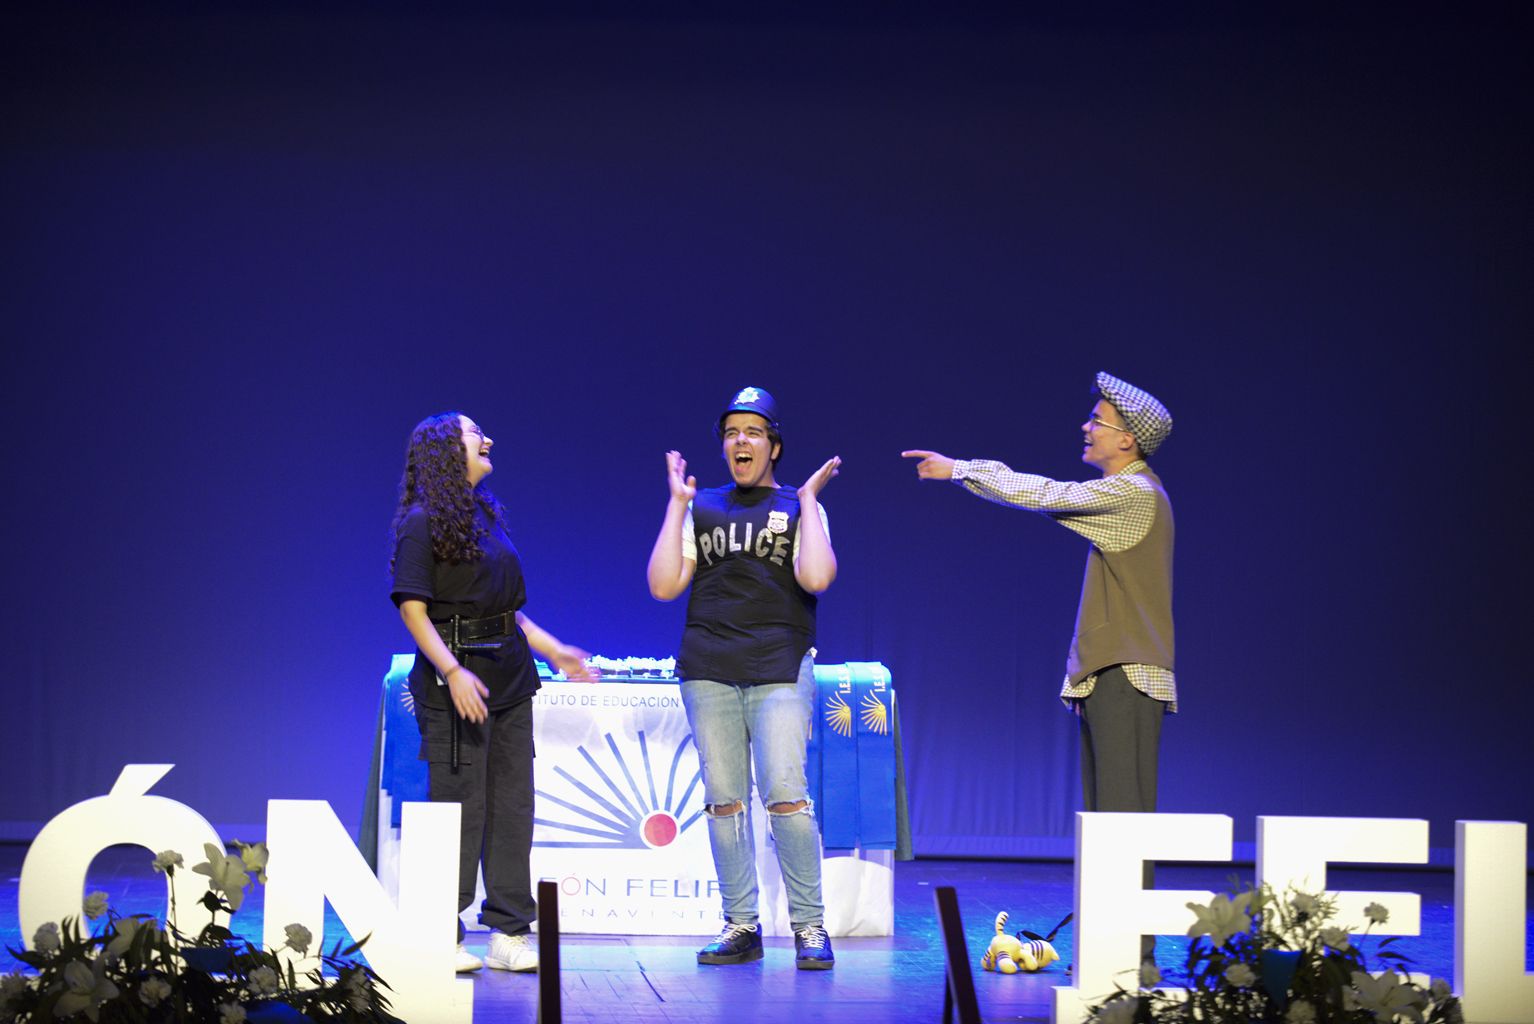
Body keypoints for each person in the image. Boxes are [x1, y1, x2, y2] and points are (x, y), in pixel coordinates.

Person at [902, 371, 1175, 954]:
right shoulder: (1132, 493)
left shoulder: (1134, 493)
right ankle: (1113, 955)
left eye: (1097, 420)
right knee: (1106, 828)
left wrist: (962, 469)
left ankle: (1135, 961)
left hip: (1128, 676)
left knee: (1123, 826)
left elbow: (1049, 493)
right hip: (1112, 676)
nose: (1086, 426)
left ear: (1127, 439)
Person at [389, 411, 595, 975]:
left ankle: (508, 929)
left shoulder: (482, 513)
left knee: (512, 809)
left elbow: (506, 610)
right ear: (448, 452)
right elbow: (413, 607)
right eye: (476, 433)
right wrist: (453, 671)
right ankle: (442, 929)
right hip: (457, 685)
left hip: (509, 680)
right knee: (460, 810)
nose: (489, 439)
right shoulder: (421, 521)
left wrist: (553, 650)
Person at [646, 386, 842, 970]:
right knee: (725, 800)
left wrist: (808, 500)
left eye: (753, 432)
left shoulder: (799, 504)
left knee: (785, 794)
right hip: (709, 667)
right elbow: (662, 586)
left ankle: (809, 927)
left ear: (773, 445)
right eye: (732, 433)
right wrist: (676, 504)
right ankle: (741, 924)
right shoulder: (701, 505)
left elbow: (817, 578)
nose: (741, 441)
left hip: (780, 664)